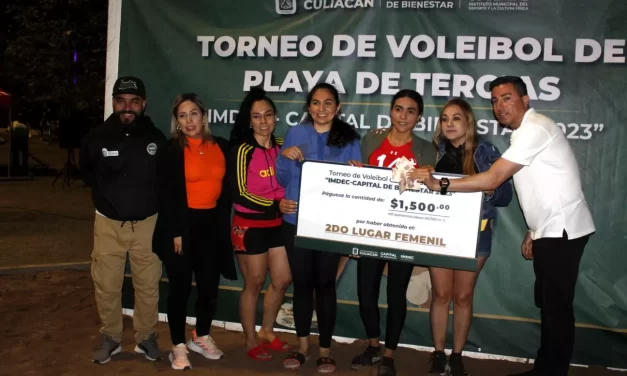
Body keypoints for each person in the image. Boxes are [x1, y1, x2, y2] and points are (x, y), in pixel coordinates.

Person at [410, 76, 595, 376]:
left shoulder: (534, 129)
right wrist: (534, 229)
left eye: (507, 98)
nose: (499, 105)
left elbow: (495, 181)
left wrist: (440, 183)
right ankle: (546, 367)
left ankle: (551, 370)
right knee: (550, 306)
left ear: (525, 100)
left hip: (563, 230)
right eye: (495, 100)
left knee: (556, 308)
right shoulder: (522, 134)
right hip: (549, 230)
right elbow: (546, 186)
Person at [80, 76, 166, 364]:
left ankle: (146, 337)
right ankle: (111, 338)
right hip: (108, 225)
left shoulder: (156, 138)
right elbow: (88, 174)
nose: (127, 107)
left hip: (148, 225)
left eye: (134, 101)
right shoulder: (96, 137)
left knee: (148, 284)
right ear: (114, 102)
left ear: (143, 104)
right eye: (121, 101)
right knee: (106, 284)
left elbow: (163, 179)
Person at [350, 89, 436, 376]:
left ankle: (389, 354)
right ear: (391, 111)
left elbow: (429, 191)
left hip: (403, 230)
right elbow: (358, 181)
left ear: (419, 117)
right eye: (399, 109)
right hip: (369, 229)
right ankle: (374, 345)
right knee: (365, 291)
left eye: (411, 111)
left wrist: (427, 177)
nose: (404, 116)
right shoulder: (371, 139)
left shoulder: (426, 149)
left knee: (396, 293)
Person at [277, 82, 361, 373]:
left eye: (328, 103)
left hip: (330, 225)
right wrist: (284, 159)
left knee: (325, 286)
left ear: (338, 108)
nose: (321, 109)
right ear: (308, 106)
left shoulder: (349, 138)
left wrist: (355, 174)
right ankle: (302, 348)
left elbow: (355, 187)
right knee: (302, 286)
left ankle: (325, 350)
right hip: (295, 221)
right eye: (315, 103)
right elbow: (283, 179)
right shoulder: (295, 134)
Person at [426, 98, 512, 376]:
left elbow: (504, 196)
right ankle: (438, 354)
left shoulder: (486, 151)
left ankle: (457, 355)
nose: (449, 124)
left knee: (463, 296)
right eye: (444, 119)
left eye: (456, 118)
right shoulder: (432, 151)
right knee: (441, 295)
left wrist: (488, 189)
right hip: (438, 232)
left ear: (468, 122)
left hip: (475, 235)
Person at [152, 93, 237, 370]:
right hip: (180, 226)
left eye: (193, 114)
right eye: (182, 116)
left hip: (211, 226)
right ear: (176, 121)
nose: (189, 121)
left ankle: (200, 336)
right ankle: (178, 346)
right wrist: (177, 230)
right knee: (179, 289)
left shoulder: (221, 147)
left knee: (209, 288)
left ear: (204, 116)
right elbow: (165, 194)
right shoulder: (171, 149)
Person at [227, 88, 293, 361]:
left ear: (275, 117)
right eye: (257, 117)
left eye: (268, 115)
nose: (263, 121)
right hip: (250, 225)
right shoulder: (242, 149)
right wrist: (273, 204)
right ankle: (250, 339)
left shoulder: (280, 145)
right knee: (254, 283)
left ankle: (267, 330)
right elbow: (239, 192)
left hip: (278, 224)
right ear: (249, 121)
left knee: (282, 279)